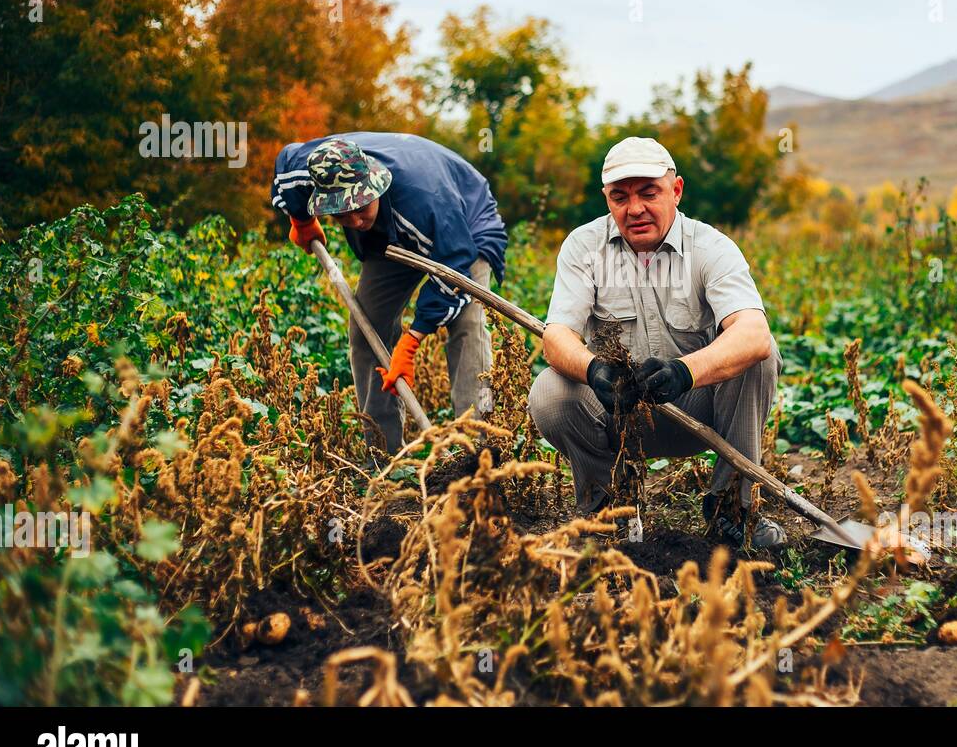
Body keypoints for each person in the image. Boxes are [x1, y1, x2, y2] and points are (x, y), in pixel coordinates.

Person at [528, 136, 785, 548]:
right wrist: (595, 370)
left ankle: (731, 510)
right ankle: (609, 510)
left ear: (677, 191)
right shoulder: (583, 247)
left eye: (649, 193)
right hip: (618, 408)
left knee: (760, 357)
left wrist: (684, 372)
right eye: (619, 197)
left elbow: (753, 333)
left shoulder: (711, 248)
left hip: (698, 410)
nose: (634, 210)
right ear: (606, 199)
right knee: (549, 392)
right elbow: (556, 338)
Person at [272, 133, 507, 455]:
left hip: (466, 227)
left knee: (467, 325)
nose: (355, 220)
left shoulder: (427, 202)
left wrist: (411, 342)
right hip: (391, 236)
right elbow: (285, 167)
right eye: (341, 214)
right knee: (367, 328)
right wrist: (302, 221)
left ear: (375, 185)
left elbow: (454, 269)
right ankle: (382, 451)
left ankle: (476, 450)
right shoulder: (308, 167)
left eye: (361, 206)